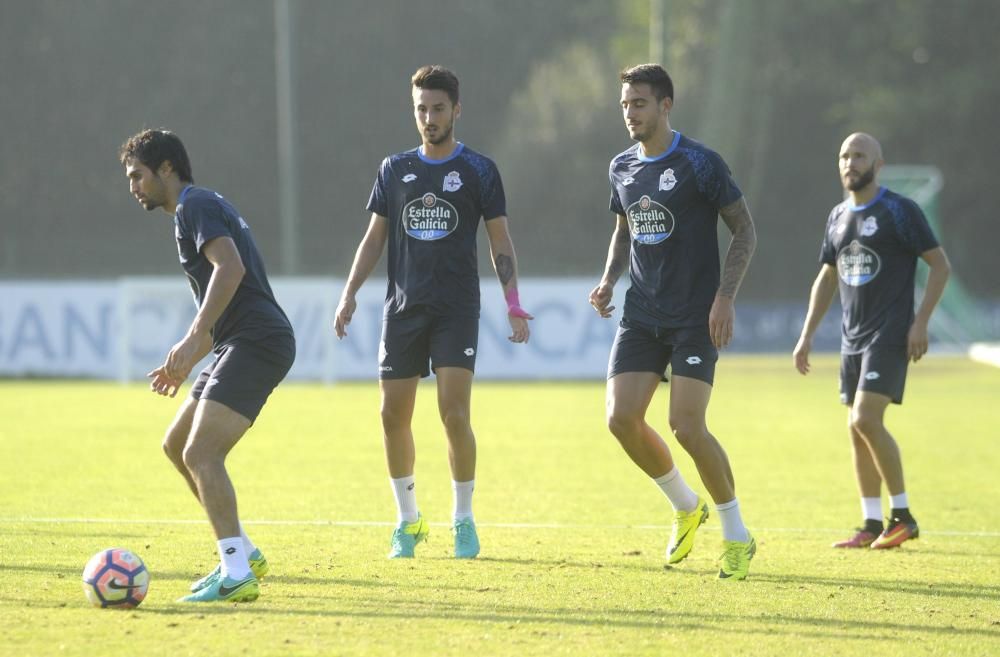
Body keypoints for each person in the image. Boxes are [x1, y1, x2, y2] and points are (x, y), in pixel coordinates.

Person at [334, 65, 532, 560]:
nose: (429, 117)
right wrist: (349, 291)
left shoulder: (479, 170)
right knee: (391, 414)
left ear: (456, 110)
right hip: (401, 309)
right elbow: (374, 237)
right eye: (421, 108)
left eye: (438, 108)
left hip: (456, 309)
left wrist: (513, 303)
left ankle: (462, 519)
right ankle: (407, 522)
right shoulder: (393, 168)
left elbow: (500, 240)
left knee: (453, 412)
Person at [589, 64, 758, 580]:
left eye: (639, 103)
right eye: (624, 105)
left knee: (686, 426)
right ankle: (686, 506)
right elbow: (625, 229)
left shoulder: (700, 163)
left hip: (693, 316)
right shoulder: (621, 166)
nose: (630, 113)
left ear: (665, 105)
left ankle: (737, 535)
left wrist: (724, 300)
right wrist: (608, 280)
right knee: (620, 418)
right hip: (642, 313)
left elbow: (745, 231)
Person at [120, 129, 296, 602]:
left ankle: (236, 573)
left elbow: (230, 269)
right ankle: (244, 552)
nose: (133, 186)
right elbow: (224, 307)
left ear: (166, 170)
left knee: (201, 453)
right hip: (240, 340)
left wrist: (193, 336)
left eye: (138, 175)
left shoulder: (194, 206)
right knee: (177, 445)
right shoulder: (195, 208)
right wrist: (186, 359)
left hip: (259, 341)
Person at [793, 132, 950, 549]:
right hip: (852, 339)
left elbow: (939, 266)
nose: (850, 162)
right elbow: (827, 276)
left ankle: (903, 516)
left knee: (865, 418)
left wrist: (920, 322)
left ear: (878, 165)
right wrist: (806, 335)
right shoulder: (837, 216)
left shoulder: (900, 210)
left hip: (890, 333)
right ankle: (870, 522)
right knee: (855, 427)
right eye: (844, 155)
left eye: (860, 155)